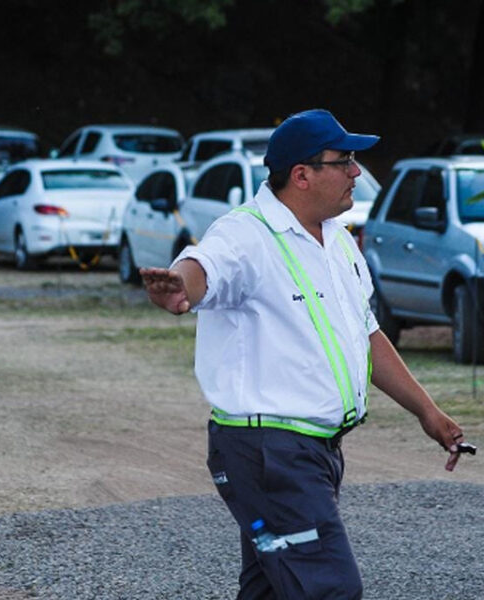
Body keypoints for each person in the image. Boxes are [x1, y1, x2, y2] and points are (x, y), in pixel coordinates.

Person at [140, 108, 467, 599]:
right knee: (330, 590)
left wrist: (428, 412)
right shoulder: (245, 233)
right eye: (345, 161)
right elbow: (203, 266)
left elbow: (367, 335)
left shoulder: (337, 241)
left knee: (271, 589)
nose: (356, 172)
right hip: (270, 456)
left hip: (311, 453)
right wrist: (179, 287)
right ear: (301, 174)